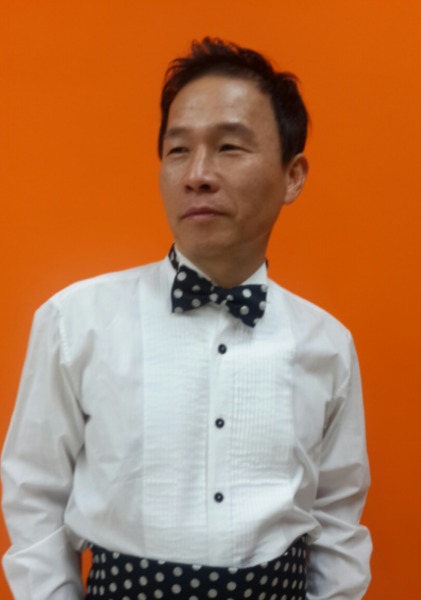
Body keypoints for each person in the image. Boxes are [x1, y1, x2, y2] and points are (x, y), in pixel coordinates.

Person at [2, 37, 372, 600]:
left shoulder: (329, 344)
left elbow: (338, 521)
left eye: (229, 147)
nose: (197, 174)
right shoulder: (75, 322)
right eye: (178, 150)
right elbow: (33, 497)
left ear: (293, 176)